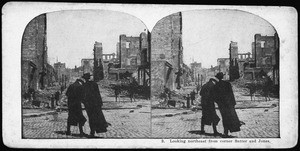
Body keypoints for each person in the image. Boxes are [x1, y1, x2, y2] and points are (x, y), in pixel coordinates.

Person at [214, 72, 241, 137]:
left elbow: (215, 96)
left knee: (224, 118)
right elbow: (231, 94)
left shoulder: (216, 85)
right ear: (222, 77)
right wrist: (233, 103)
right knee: (231, 117)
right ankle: (229, 130)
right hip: (229, 104)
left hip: (222, 105)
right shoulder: (227, 84)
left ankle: (225, 132)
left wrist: (218, 102)